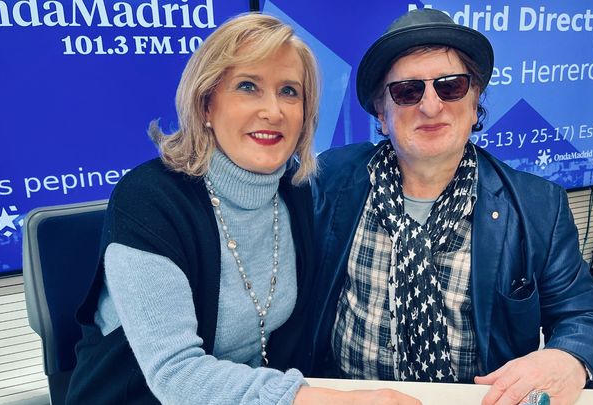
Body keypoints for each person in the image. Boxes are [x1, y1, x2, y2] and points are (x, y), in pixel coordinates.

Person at [66, 13, 420, 405]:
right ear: (206, 104)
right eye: (248, 86)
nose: (273, 111)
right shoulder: (149, 199)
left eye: (289, 91)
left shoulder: (295, 192)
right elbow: (175, 373)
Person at [296, 8, 593, 405]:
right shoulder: (332, 179)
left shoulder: (537, 206)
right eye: (407, 91)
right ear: (382, 113)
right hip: (349, 396)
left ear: (474, 99)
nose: (431, 106)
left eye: (450, 86)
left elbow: (588, 318)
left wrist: (568, 358)